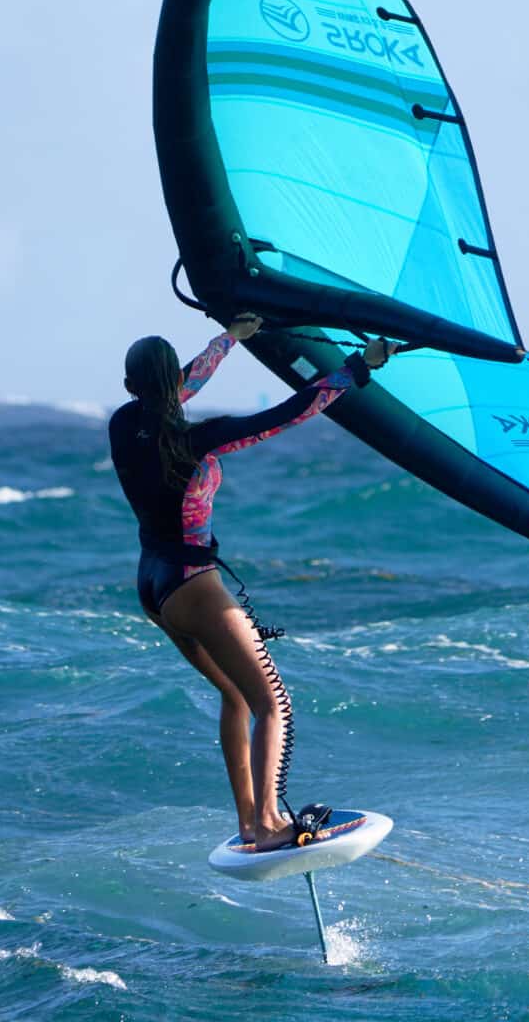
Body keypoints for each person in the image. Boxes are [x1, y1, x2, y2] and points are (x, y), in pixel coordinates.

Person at [108, 313, 390, 852]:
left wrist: (228, 341)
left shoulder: (122, 425)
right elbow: (286, 415)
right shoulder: (201, 440)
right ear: (173, 385)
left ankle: (249, 823)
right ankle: (266, 823)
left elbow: (171, 389)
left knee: (235, 697)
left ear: (129, 387)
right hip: (194, 583)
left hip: (152, 583)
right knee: (271, 704)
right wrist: (357, 368)